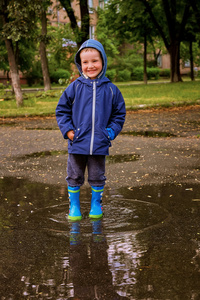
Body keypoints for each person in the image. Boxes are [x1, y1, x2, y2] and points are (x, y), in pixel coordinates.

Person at [56, 39, 126, 221]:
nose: (90, 66)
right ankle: (75, 205)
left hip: (99, 143)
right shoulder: (75, 87)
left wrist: (110, 132)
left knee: (97, 176)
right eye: (85, 62)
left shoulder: (111, 89)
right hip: (77, 141)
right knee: (74, 175)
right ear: (80, 64)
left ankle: (96, 203)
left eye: (95, 61)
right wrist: (69, 131)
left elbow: (119, 114)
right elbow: (61, 110)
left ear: (103, 61)